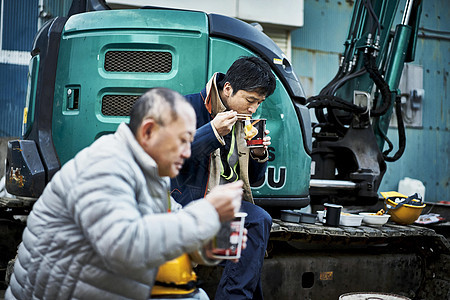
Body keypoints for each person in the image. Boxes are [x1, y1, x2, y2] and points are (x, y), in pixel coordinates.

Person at [6, 88, 244, 300]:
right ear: (149, 131)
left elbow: (167, 227)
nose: (186, 152)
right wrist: (207, 212)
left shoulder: (152, 173)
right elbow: (123, 244)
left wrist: (209, 243)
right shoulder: (106, 164)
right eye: (182, 141)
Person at [171, 56, 276, 299]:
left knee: (258, 223)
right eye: (250, 100)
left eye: (259, 103)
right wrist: (212, 132)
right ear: (227, 89)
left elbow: (254, 180)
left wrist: (259, 154)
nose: (253, 109)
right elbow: (172, 159)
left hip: (224, 207)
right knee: (252, 238)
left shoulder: (244, 120)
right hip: (186, 206)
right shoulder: (185, 109)